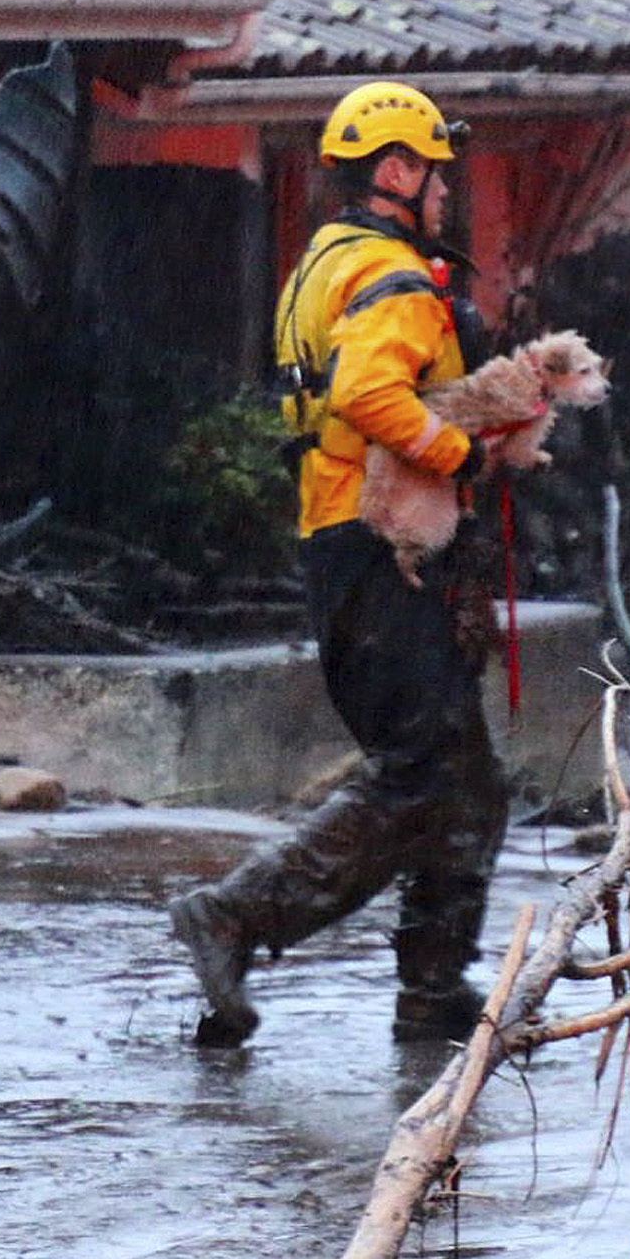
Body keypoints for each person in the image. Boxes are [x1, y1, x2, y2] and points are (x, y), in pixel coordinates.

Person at [168, 82, 509, 1045]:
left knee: (468, 778)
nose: (445, 189)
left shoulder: (329, 259)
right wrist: (464, 454)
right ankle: (237, 914)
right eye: (435, 170)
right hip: (381, 546)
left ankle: (434, 992)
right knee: (420, 768)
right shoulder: (393, 276)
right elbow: (369, 394)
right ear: (395, 172)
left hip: (356, 539)